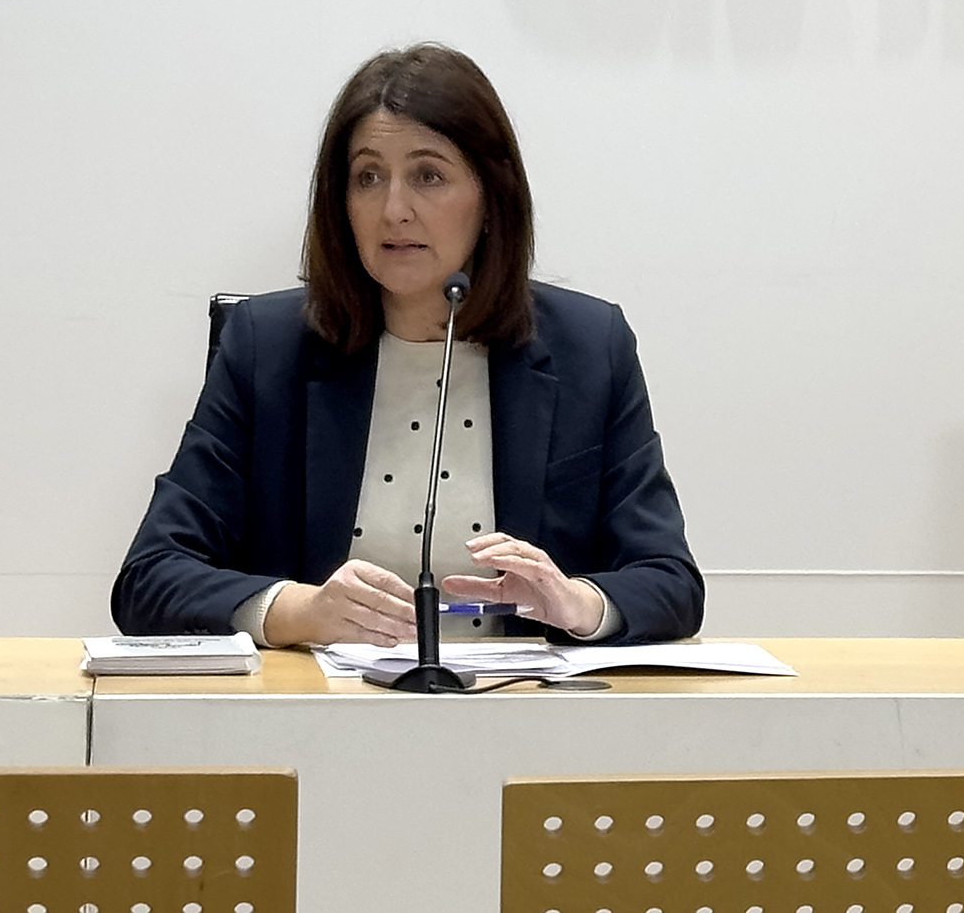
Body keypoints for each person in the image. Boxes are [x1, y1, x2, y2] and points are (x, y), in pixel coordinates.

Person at [112, 44, 704, 646]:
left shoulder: (589, 348)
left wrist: (576, 601)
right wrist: (299, 610)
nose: (394, 210)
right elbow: (150, 578)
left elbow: (670, 582)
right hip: (321, 700)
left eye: (428, 176)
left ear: (491, 197)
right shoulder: (268, 348)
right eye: (368, 178)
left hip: (517, 700)